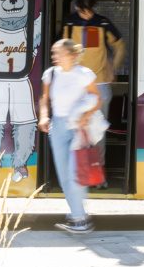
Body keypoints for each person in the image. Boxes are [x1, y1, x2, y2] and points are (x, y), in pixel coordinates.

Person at [37, 38, 100, 234]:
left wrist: (85, 116)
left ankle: (80, 219)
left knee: (74, 173)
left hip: (78, 127)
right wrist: (44, 116)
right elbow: (44, 99)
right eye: (53, 53)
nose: (54, 56)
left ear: (72, 55)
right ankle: (77, 214)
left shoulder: (84, 74)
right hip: (57, 126)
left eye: (58, 53)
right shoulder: (50, 74)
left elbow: (97, 99)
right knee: (64, 176)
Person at [63, 0, 125, 115]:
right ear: (77, 8)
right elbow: (62, 50)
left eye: (90, 11)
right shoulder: (69, 23)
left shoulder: (103, 23)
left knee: (99, 122)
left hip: (100, 82)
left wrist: (113, 68)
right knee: (76, 122)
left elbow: (120, 45)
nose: (87, 15)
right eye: (83, 12)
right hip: (76, 82)